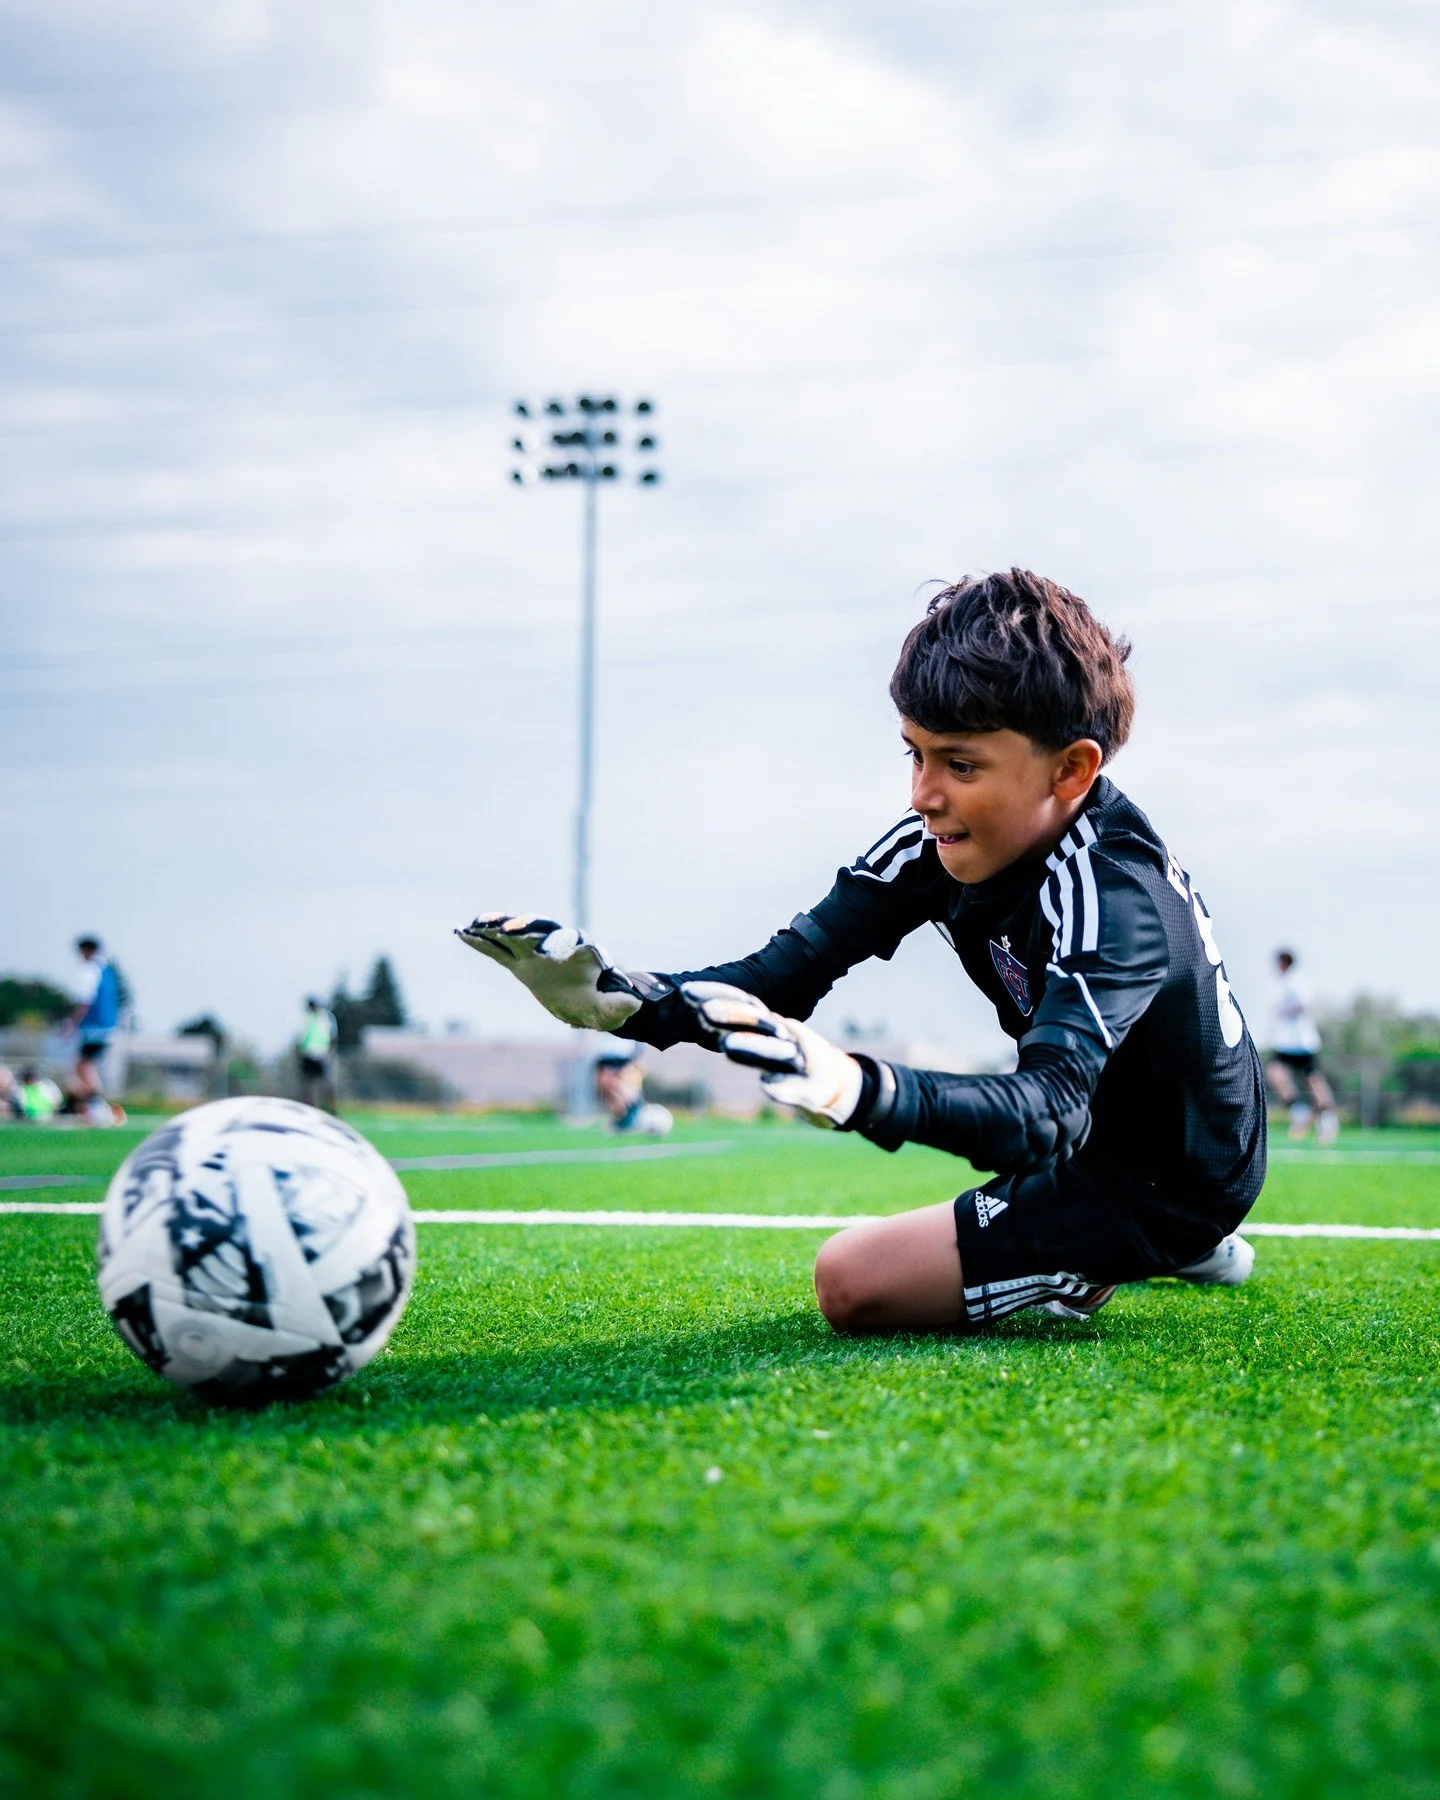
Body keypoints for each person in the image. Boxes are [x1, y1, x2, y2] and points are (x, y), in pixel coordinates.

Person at [457, 569, 1266, 1335]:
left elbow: (1050, 1109)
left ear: (1072, 769)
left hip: (1174, 1176)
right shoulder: (934, 845)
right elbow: (777, 981)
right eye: (915, 753)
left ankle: (1145, 1245)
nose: (923, 795)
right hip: (1088, 1130)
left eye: (961, 764)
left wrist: (863, 1089)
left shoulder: (1116, 896)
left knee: (850, 1281)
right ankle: (1124, 1246)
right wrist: (623, 1003)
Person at [1267, 949, 1339, 1144]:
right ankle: (1299, 1112)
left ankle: (1328, 1120)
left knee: (1313, 1082)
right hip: (1286, 1042)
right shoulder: (1285, 983)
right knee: (1276, 1074)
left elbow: (1305, 1004)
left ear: (1284, 962)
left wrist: (1284, 1011)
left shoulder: (1296, 981)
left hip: (1301, 1041)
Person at [65, 936, 124, 1126]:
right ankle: (86, 1105)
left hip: (94, 1027)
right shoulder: (108, 971)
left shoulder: (90, 970)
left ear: (86, 950)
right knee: (83, 1065)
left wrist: (72, 1022)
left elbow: (85, 1001)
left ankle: (98, 1106)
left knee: (84, 1066)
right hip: (107, 1026)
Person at [593, 1046, 674, 1137]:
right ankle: (628, 1112)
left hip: (623, 1054)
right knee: (607, 1089)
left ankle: (630, 1110)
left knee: (611, 1083)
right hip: (605, 1053)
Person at [297, 996, 338, 1113]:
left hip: (321, 1055)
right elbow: (303, 1037)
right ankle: (308, 1110)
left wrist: (330, 1053)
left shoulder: (325, 1017)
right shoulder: (307, 1018)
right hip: (309, 1055)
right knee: (307, 1086)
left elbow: (332, 1036)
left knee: (327, 1085)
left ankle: (332, 1110)